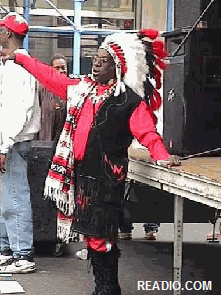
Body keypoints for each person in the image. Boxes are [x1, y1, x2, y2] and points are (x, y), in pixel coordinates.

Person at [2, 28, 181, 294]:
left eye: (103, 60)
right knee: (92, 238)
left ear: (118, 66)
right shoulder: (82, 90)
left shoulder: (127, 101)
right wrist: (20, 57)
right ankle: (104, 287)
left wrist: (163, 156)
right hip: (83, 177)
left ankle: (108, 288)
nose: (96, 64)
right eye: (95, 59)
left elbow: (147, 133)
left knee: (101, 239)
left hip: (107, 178)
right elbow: (50, 77)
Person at [0, 12, 41, 273]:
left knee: (15, 197)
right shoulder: (12, 63)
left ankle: (22, 254)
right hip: (12, 141)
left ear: (7, 33)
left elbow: (15, 111)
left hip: (13, 142)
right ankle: (7, 250)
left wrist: (3, 145)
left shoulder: (18, 65)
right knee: (7, 199)